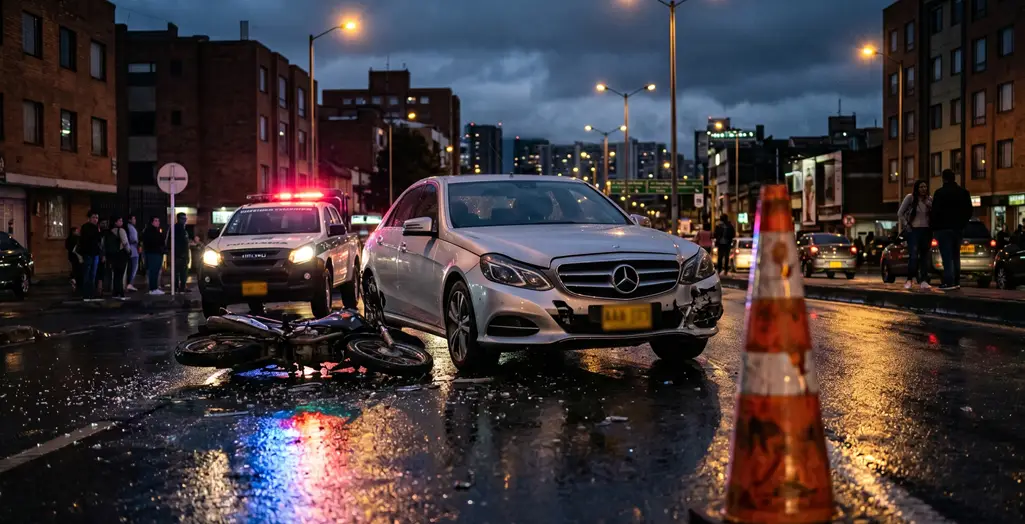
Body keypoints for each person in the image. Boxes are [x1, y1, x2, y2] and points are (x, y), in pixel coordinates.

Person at [930, 169, 973, 290]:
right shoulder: (963, 193)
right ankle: (956, 280)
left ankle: (949, 281)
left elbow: (935, 212)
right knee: (955, 255)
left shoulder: (939, 193)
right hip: (958, 229)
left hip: (943, 229)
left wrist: (934, 227)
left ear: (943, 179)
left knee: (947, 256)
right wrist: (962, 224)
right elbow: (969, 211)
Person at [898, 180, 933, 290]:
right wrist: (906, 224)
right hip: (914, 231)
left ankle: (923, 280)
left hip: (926, 230)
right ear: (917, 188)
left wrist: (930, 206)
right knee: (913, 256)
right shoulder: (910, 198)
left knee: (924, 256)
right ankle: (909, 279)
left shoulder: (929, 200)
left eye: (925, 187)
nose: (923, 189)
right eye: (921, 187)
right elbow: (900, 213)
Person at [103, 216, 131, 300]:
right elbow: (125, 243)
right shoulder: (121, 230)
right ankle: (121, 293)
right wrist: (129, 251)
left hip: (112, 255)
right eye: (120, 221)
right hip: (121, 254)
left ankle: (115, 292)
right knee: (121, 275)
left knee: (115, 274)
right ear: (115, 222)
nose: (121, 222)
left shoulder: (108, 232)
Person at [76, 211, 102, 301]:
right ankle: (86, 294)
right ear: (89, 218)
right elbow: (87, 240)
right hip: (88, 253)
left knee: (93, 274)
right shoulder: (86, 227)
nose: (95, 219)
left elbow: (98, 240)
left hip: (95, 253)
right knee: (87, 274)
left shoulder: (96, 227)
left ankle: (91, 294)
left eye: (97, 218)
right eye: (94, 217)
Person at [142, 217, 165, 294]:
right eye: (156, 221)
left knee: (156, 271)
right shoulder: (149, 231)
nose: (158, 222)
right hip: (153, 253)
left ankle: (154, 287)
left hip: (156, 252)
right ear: (152, 222)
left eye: (158, 221)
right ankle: (153, 288)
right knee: (153, 271)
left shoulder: (156, 231)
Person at [168, 212, 190, 293]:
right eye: (183, 219)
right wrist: (183, 254)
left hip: (178, 254)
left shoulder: (177, 228)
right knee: (182, 272)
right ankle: (181, 288)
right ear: (179, 219)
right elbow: (181, 243)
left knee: (177, 272)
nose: (185, 220)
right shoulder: (178, 229)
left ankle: (177, 287)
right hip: (180, 255)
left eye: (185, 219)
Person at [125, 214, 141, 292]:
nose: (135, 220)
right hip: (133, 250)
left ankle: (129, 283)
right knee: (133, 268)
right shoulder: (131, 228)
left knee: (131, 268)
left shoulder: (128, 227)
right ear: (130, 220)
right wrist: (138, 243)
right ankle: (130, 283)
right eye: (133, 219)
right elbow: (134, 239)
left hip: (131, 250)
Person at [65, 227, 81, 292]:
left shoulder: (68, 239)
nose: (78, 232)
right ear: (74, 231)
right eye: (77, 231)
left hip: (71, 256)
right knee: (77, 269)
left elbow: (67, 247)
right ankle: (74, 280)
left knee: (74, 268)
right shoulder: (77, 238)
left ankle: (73, 279)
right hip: (77, 256)